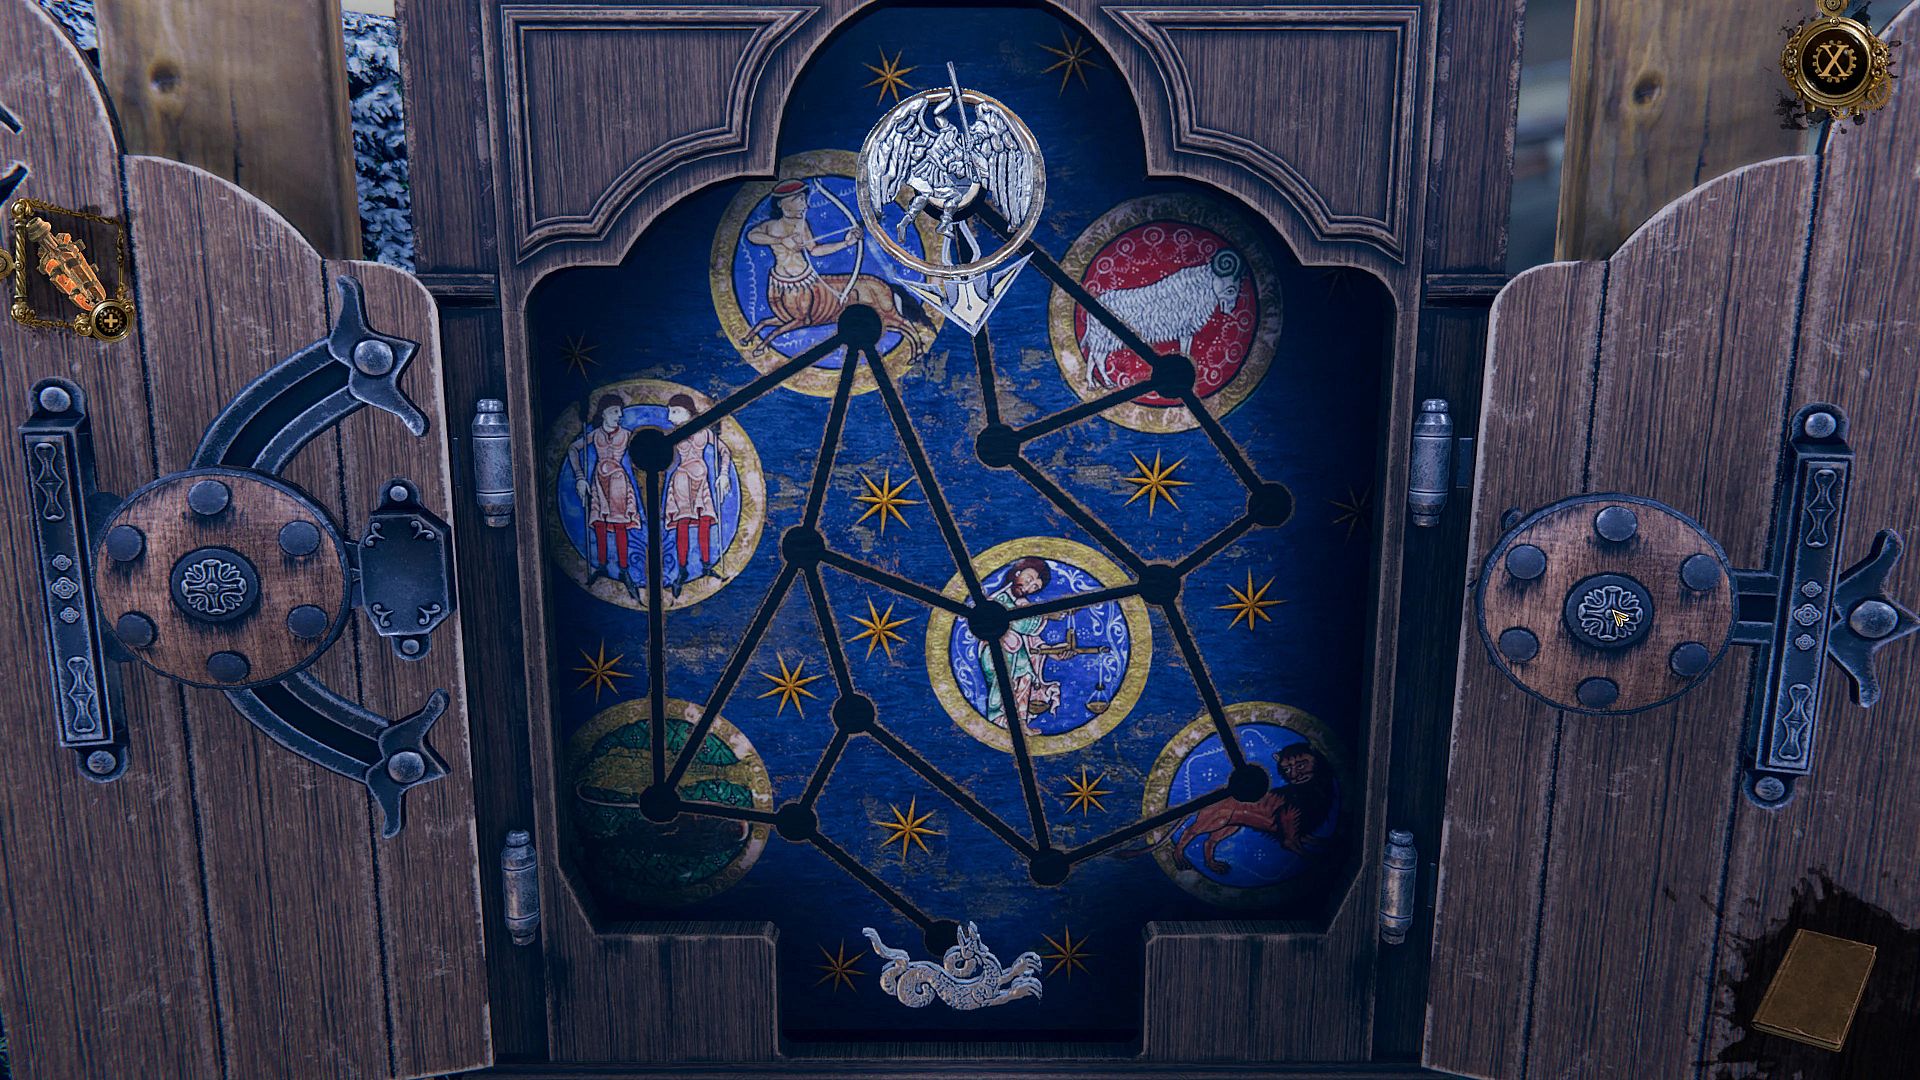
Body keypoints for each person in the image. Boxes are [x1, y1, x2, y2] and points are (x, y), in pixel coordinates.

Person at [568, 393, 643, 600]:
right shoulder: (595, 434)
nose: (620, 415)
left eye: (620, 411)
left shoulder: (627, 435)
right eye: (615, 411)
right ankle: (601, 565)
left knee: (620, 525)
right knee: (599, 523)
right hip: (599, 482)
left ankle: (624, 569)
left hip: (618, 483)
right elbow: (573, 449)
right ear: (604, 413)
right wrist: (580, 477)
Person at [977, 557, 1062, 735]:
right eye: (1029, 579)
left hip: (1018, 655)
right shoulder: (1001, 598)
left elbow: (1031, 638)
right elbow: (1020, 624)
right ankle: (1000, 721)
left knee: (1025, 680)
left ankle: (1020, 723)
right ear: (1017, 573)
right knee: (1004, 686)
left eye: (1035, 587)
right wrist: (1046, 615)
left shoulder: (1022, 604)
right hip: (996, 654)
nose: (1029, 587)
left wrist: (1052, 651)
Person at [662, 393, 732, 598]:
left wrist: (724, 474)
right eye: (670, 412)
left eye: (675, 411)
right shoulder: (671, 435)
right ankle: (682, 569)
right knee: (683, 522)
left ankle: (706, 564)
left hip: (702, 482)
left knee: (705, 520)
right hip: (682, 481)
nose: (670, 417)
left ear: (688, 411)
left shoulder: (705, 432)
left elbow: (724, 451)